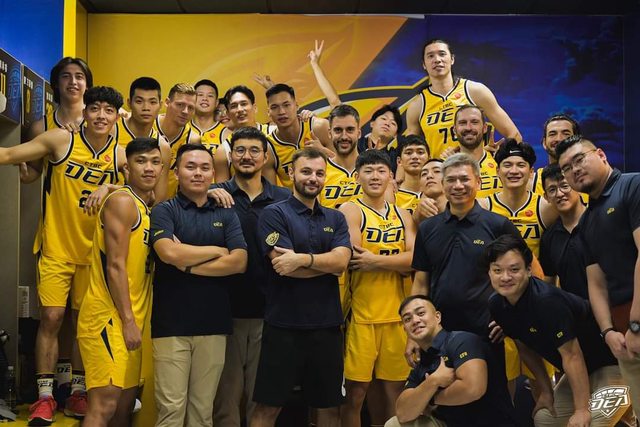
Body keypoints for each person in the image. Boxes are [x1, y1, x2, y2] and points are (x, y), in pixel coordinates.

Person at [0, 86, 126, 425]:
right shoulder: (61, 140)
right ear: (85, 112)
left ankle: (78, 391)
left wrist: (110, 186)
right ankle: (44, 397)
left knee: (84, 324)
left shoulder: (120, 155)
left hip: (95, 253)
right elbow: (8, 154)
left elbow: (145, 192)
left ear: (117, 117)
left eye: (109, 110)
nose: (101, 115)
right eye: (95, 108)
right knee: (52, 318)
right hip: (56, 246)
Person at [251, 147, 352, 427]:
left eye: (319, 173)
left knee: (329, 408)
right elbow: (283, 266)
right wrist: (324, 264)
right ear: (291, 173)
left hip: (327, 326)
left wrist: (303, 259)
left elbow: (341, 262)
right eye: (306, 171)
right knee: (267, 408)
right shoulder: (274, 213)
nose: (313, 178)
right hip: (283, 325)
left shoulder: (336, 218)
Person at [150, 144, 248, 426]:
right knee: (171, 410)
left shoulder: (226, 213)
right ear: (176, 172)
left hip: (214, 324)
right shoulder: (164, 211)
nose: (198, 173)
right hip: (170, 326)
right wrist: (217, 251)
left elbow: (239, 262)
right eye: (190, 167)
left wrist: (187, 264)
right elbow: (168, 253)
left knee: (202, 412)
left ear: (213, 174)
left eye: (205, 168)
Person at [487, 234, 628, 426]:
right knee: (544, 420)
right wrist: (546, 390)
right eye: (497, 270)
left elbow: (572, 355)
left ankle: (629, 412)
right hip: (580, 373)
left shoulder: (546, 301)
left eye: (514, 269)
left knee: (592, 423)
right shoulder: (497, 305)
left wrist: (581, 410)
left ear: (528, 270)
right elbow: (524, 348)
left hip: (612, 364)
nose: (505, 277)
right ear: (489, 273)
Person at [77, 138, 163, 427]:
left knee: (124, 409)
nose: (149, 168)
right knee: (104, 406)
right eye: (141, 161)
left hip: (133, 317)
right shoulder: (123, 203)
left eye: (155, 162)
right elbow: (115, 266)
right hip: (109, 317)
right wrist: (127, 321)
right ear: (127, 168)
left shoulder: (144, 205)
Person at [210, 127, 290, 426]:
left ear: (265, 157)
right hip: (224, 313)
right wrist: (207, 192)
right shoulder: (215, 196)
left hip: (271, 313)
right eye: (240, 150)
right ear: (230, 156)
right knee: (225, 401)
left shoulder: (284, 199)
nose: (247, 156)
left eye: (254, 150)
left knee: (262, 401)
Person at [410, 153, 521, 364]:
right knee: (441, 385)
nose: (458, 186)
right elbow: (421, 283)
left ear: (478, 182)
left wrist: (511, 316)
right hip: (438, 333)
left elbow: (528, 273)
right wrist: (414, 333)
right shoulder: (427, 228)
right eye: (451, 180)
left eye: (464, 179)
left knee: (490, 385)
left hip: (487, 332)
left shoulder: (498, 225)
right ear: (443, 185)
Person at [556, 135, 640, 412]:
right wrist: (608, 331)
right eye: (566, 168)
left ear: (601, 155)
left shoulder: (632, 186)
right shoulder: (588, 220)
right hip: (623, 332)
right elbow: (597, 281)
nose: (574, 169)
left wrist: (636, 324)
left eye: (579, 159)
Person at [339, 150, 416, 427]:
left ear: (391, 176)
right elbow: (357, 257)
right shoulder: (350, 210)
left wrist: (377, 261)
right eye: (368, 171)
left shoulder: (403, 214)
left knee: (395, 394)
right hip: (361, 315)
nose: (375, 176)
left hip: (397, 316)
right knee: (355, 395)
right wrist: (395, 262)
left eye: (381, 171)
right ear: (357, 176)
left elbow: (414, 260)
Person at [386, 296, 517, 427]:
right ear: (405, 330)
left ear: (437, 317)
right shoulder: (421, 362)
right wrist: (433, 381)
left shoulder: (462, 341)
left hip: (489, 422)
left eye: (421, 313)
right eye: (407, 319)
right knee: (394, 424)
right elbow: (403, 413)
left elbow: (473, 389)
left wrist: (430, 399)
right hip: (448, 423)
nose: (415, 321)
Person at [406, 39, 520, 159]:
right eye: (430, 56)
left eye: (442, 54)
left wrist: (494, 156)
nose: (437, 59)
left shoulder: (475, 91)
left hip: (477, 168)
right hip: (440, 169)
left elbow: (514, 135)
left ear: (452, 59)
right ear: (424, 64)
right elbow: (408, 152)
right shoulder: (418, 105)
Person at [484, 139, 557, 258]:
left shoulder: (545, 208)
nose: (514, 171)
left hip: (533, 270)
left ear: (531, 172)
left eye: (521, 165)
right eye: (507, 165)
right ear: (497, 171)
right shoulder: (485, 207)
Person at [266, 83, 333, 188]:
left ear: (296, 106)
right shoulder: (268, 148)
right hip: (293, 198)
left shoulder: (319, 127)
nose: (282, 112)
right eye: (274, 107)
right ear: (268, 112)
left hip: (330, 195)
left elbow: (345, 167)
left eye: (286, 105)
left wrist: (324, 152)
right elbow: (271, 192)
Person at [213, 85, 276, 183]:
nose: (239, 109)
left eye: (244, 104)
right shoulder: (223, 151)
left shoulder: (274, 133)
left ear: (255, 108)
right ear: (228, 114)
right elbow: (222, 190)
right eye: (234, 106)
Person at [155, 83, 200, 197]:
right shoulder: (148, 125)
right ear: (167, 102)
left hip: (169, 203)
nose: (185, 111)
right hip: (136, 201)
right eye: (180, 105)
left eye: (191, 108)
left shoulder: (192, 139)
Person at [452, 105, 501, 198]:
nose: (468, 128)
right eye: (462, 123)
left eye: (474, 122)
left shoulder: (501, 162)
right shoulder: (444, 167)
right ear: (454, 130)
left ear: (485, 128)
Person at [318, 104, 362, 209]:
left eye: (350, 129)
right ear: (329, 133)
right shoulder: (319, 172)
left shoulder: (375, 170)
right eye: (338, 130)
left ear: (359, 133)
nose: (344, 136)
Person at [530, 114, 581, 196]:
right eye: (552, 134)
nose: (559, 139)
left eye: (566, 134)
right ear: (544, 143)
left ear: (577, 141)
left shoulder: (592, 179)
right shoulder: (531, 183)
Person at [116, 77, 162, 148]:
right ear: (129, 103)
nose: (146, 108)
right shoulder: (111, 130)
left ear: (160, 105)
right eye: (139, 101)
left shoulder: (162, 146)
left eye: (152, 102)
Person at [394, 135, 430, 214]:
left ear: (429, 159)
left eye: (420, 152)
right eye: (409, 153)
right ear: (399, 161)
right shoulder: (392, 195)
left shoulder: (438, 192)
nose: (415, 157)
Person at [190, 79, 226, 155]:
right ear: (192, 99)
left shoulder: (226, 133)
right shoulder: (182, 129)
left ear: (216, 102)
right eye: (200, 95)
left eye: (210, 96)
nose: (205, 99)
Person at [413, 159, 447, 224]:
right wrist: (417, 216)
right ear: (420, 187)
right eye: (424, 174)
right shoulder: (417, 215)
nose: (429, 176)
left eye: (437, 171)